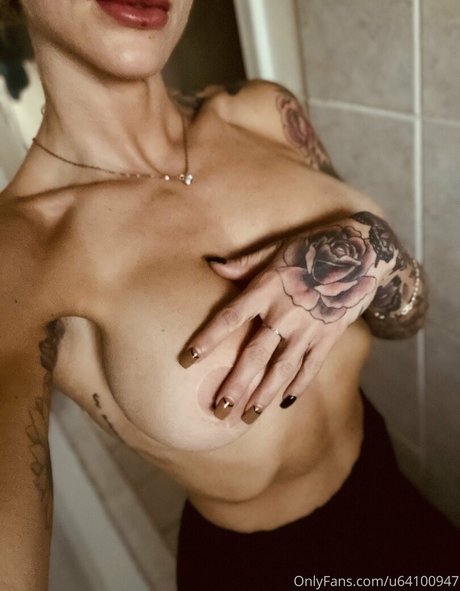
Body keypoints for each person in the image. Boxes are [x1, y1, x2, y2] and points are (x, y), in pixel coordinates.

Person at [0, 1, 457, 590]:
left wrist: (374, 245)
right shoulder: (22, 256)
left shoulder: (264, 113)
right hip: (258, 571)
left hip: (386, 483)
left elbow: (408, 319)